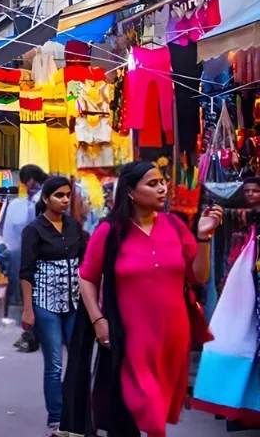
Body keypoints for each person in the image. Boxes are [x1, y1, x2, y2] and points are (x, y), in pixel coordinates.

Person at [76, 161, 222, 437]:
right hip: (132, 339)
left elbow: (199, 276)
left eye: (162, 182)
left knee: (156, 408)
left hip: (172, 337)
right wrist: (98, 320)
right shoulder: (111, 232)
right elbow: (86, 277)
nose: (162, 188)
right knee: (149, 411)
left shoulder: (175, 226)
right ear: (130, 192)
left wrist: (203, 237)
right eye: (152, 184)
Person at [20, 176, 85, 431]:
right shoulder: (34, 230)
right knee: (54, 362)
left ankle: (76, 412)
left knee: (78, 359)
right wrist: (28, 309)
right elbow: (25, 272)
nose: (65, 200)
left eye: (68, 195)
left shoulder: (73, 226)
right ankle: (56, 415)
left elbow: (84, 261)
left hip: (73, 300)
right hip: (45, 302)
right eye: (59, 195)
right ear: (46, 199)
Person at [1, 164, 48, 353]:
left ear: (30, 180)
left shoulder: (44, 198)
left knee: (36, 295)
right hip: (30, 253)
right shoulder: (27, 201)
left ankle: (33, 335)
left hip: (42, 253)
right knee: (32, 295)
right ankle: (32, 334)